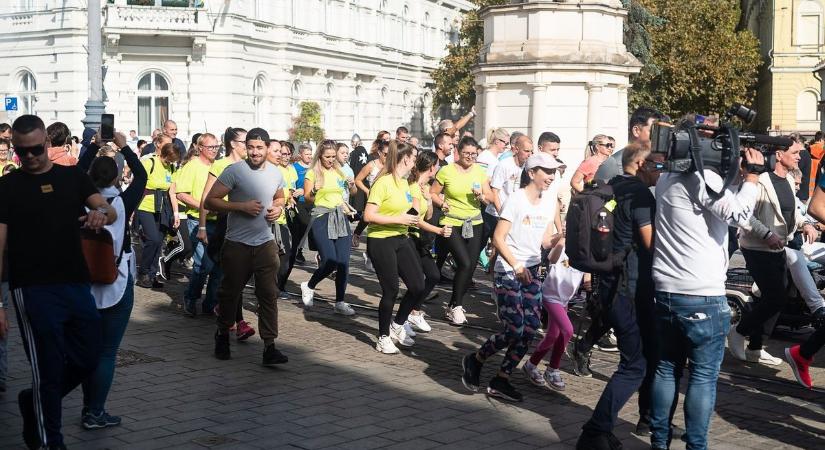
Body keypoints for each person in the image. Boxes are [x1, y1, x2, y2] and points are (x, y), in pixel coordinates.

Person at [0, 114, 117, 450]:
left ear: (47, 144)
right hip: (32, 290)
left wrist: (100, 213)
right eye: (23, 152)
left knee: (89, 356)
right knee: (48, 371)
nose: (32, 156)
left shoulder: (73, 176)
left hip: (76, 284)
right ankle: (50, 442)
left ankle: (33, 399)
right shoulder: (7, 187)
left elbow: (106, 210)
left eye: (37, 149)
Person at [649, 141, 764, 449]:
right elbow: (739, 215)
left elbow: (718, 206)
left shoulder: (666, 178)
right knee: (702, 376)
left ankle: (659, 442)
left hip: (666, 289)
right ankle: (696, 446)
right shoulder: (702, 179)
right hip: (701, 294)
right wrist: (752, 176)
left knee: (665, 368)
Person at [575, 145, 666, 448]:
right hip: (628, 290)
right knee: (634, 365)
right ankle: (595, 431)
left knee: (651, 355)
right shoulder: (640, 195)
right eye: (657, 166)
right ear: (640, 164)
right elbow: (650, 243)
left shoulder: (611, 188)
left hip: (611, 286)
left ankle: (648, 420)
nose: (660, 172)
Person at [460, 153, 563, 402]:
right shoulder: (516, 200)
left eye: (554, 172)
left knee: (529, 329)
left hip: (533, 271)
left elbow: (546, 241)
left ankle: (501, 379)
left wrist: (561, 238)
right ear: (531, 172)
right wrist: (516, 265)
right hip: (509, 271)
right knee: (515, 327)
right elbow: (498, 238)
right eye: (546, 171)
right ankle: (475, 359)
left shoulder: (550, 202)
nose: (551, 177)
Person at [78, 131, 147, 430]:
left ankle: (86, 407)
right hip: (116, 281)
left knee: (87, 350)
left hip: (82, 285)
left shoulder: (78, 200)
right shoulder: (123, 201)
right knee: (107, 352)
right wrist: (125, 146)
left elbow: (75, 174)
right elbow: (142, 175)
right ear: (118, 175)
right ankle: (95, 411)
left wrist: (90, 147)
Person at [731, 138, 817, 365]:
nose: (800, 157)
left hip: (781, 246)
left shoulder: (788, 179)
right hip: (758, 247)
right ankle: (739, 332)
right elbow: (745, 215)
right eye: (795, 152)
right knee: (775, 297)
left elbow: (791, 213)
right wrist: (766, 235)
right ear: (779, 155)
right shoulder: (760, 181)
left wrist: (805, 223)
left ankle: (756, 347)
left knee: (777, 297)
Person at [206, 128, 287, 365]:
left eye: (259, 148)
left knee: (268, 294)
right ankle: (222, 334)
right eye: (250, 147)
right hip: (237, 244)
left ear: (267, 148)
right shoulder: (234, 171)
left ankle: (269, 346)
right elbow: (211, 201)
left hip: (265, 243)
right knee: (230, 293)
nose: (254, 152)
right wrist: (240, 207)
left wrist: (278, 208)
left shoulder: (275, 173)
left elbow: (280, 196)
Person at [364, 141, 425, 353]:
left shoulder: (405, 182)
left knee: (419, 286)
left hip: (401, 237)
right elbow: (368, 215)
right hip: (381, 240)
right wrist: (399, 217)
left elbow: (409, 210)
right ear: (405, 158)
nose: (415, 162)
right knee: (391, 290)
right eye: (414, 158)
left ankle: (397, 325)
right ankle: (382, 337)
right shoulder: (383, 182)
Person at [196, 127, 256, 338]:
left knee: (236, 273)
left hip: (246, 225)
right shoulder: (221, 165)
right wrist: (202, 227)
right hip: (225, 224)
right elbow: (206, 198)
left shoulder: (251, 166)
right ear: (233, 144)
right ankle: (238, 321)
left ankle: (224, 309)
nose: (248, 147)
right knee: (230, 273)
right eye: (244, 142)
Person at [431, 136, 492, 325]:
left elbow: (489, 197)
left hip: (474, 222)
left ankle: (453, 304)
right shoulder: (446, 171)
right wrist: (442, 203)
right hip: (451, 221)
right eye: (467, 153)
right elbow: (432, 192)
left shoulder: (480, 172)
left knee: (470, 266)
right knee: (464, 263)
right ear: (458, 152)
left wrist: (481, 195)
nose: (470, 157)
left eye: (474, 154)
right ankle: (456, 306)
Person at [300, 140, 357, 315]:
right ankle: (309, 285)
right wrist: (315, 191)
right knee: (330, 260)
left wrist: (352, 185)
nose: (331, 160)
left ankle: (340, 301)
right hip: (322, 217)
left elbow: (352, 193)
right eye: (328, 157)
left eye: (333, 157)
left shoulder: (339, 171)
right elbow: (308, 198)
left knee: (344, 262)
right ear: (320, 156)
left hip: (340, 217)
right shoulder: (313, 173)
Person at [175, 134, 225, 318]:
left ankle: (211, 303)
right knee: (203, 265)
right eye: (210, 147)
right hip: (198, 221)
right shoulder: (192, 165)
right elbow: (181, 194)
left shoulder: (218, 165)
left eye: (216, 146)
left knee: (218, 266)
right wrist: (204, 206)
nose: (214, 150)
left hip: (219, 221)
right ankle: (190, 297)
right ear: (200, 148)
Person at [522, 243, 580, 391]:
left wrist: (587, 279)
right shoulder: (565, 242)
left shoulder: (588, 246)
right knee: (567, 330)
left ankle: (531, 364)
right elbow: (551, 258)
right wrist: (561, 240)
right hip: (551, 295)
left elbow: (589, 266)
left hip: (565, 298)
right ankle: (553, 369)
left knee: (553, 335)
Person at [406, 151, 451, 333]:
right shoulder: (413, 187)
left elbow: (428, 215)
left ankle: (414, 311)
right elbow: (416, 220)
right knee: (415, 282)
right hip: (409, 239)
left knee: (433, 275)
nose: (439, 169)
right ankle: (404, 319)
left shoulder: (424, 187)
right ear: (432, 167)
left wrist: (429, 201)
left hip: (421, 241)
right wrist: (439, 230)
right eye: (437, 166)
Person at [135, 141, 180, 288]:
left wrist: (176, 213)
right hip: (146, 206)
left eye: (173, 161)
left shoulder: (172, 167)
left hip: (162, 208)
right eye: (169, 160)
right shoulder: (150, 163)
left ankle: (152, 275)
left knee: (159, 242)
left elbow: (172, 192)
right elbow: (138, 184)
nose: (170, 163)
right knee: (153, 239)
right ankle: (143, 273)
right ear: (164, 154)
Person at [594, 106, 664, 181]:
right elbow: (600, 191)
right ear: (636, 131)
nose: (659, 137)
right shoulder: (613, 164)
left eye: (661, 132)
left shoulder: (664, 162)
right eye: (654, 131)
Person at [352, 139, 390, 247]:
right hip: (374, 196)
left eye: (390, 155)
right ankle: (358, 234)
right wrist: (367, 190)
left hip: (388, 197)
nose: (388, 158)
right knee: (370, 219)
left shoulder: (393, 165)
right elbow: (358, 180)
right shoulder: (371, 165)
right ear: (379, 153)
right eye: (386, 154)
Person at [274, 142, 298, 294]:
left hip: (286, 217)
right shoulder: (274, 170)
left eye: (289, 154)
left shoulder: (290, 169)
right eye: (283, 153)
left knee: (286, 256)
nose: (286, 157)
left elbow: (290, 189)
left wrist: (294, 195)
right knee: (272, 258)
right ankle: (270, 290)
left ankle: (277, 287)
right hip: (273, 218)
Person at [288, 143, 313, 265]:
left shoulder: (314, 167)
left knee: (307, 227)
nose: (309, 156)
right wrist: (293, 192)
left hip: (312, 201)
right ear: (300, 155)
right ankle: (295, 249)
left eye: (310, 154)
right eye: (306, 154)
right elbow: (291, 183)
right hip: (299, 202)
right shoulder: (294, 167)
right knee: (303, 224)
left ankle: (299, 250)